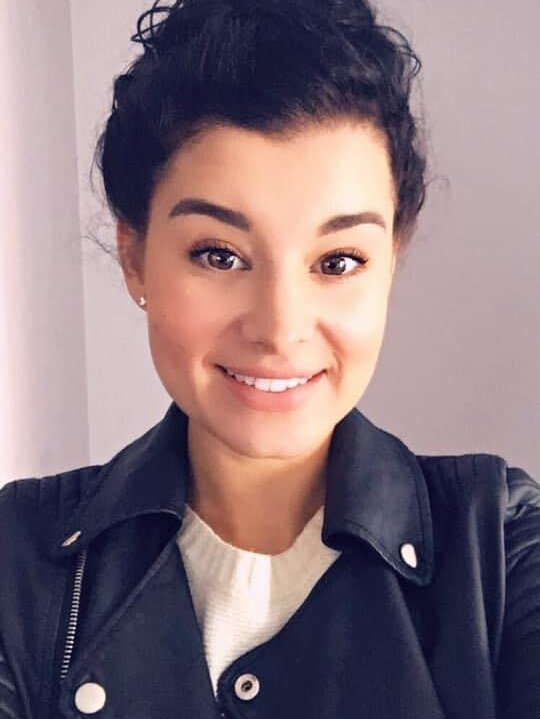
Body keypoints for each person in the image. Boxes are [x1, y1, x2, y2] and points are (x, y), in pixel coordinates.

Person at [1, 0, 539, 717]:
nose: (280, 329)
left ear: (391, 260)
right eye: (219, 255)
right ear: (135, 256)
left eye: (338, 261)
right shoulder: (21, 556)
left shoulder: (499, 546)